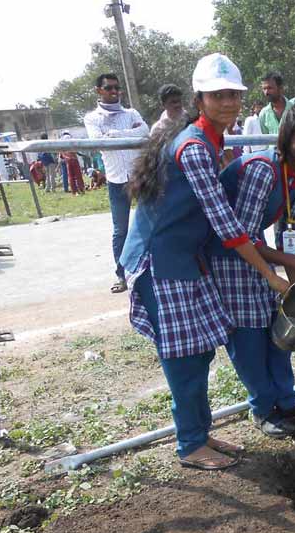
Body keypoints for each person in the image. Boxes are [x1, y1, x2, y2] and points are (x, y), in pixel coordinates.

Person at [121, 53, 283, 470]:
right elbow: (227, 227)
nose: (227, 102)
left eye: (233, 94)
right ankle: (190, 444)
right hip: (160, 263)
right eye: (218, 95)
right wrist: (271, 274)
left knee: (199, 352)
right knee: (184, 357)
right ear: (200, 98)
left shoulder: (211, 138)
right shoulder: (194, 147)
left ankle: (200, 433)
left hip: (184, 259)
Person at [209, 102, 295, 437]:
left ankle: (288, 401)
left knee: (278, 327)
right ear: (285, 138)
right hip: (228, 258)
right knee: (249, 335)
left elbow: (288, 227)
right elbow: (242, 234)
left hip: (256, 255)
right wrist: (290, 264)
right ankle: (263, 409)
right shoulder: (263, 169)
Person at [84, 73, 149, 293]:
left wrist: (115, 134)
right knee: (120, 230)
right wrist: (122, 135)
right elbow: (98, 141)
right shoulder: (93, 118)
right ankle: (121, 275)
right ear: (99, 91)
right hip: (116, 179)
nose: (114, 92)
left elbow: (144, 132)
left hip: (139, 176)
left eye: (117, 88)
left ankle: (150, 269)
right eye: (109, 88)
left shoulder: (131, 113)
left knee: (150, 221)